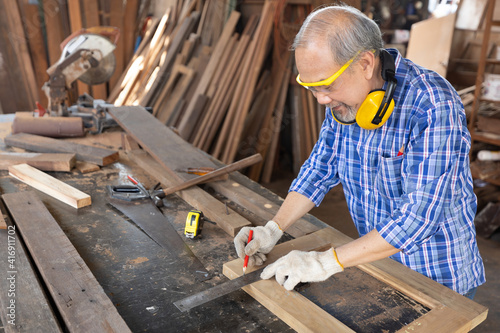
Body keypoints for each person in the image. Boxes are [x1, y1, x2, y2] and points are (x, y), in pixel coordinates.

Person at [234, 3, 485, 299]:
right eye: (311, 87)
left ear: (365, 64)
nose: (320, 100)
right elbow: (319, 169)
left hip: (436, 275)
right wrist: (274, 228)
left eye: (326, 85)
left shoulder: (432, 104)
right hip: (376, 260)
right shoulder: (343, 102)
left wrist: (325, 262)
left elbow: (418, 217)